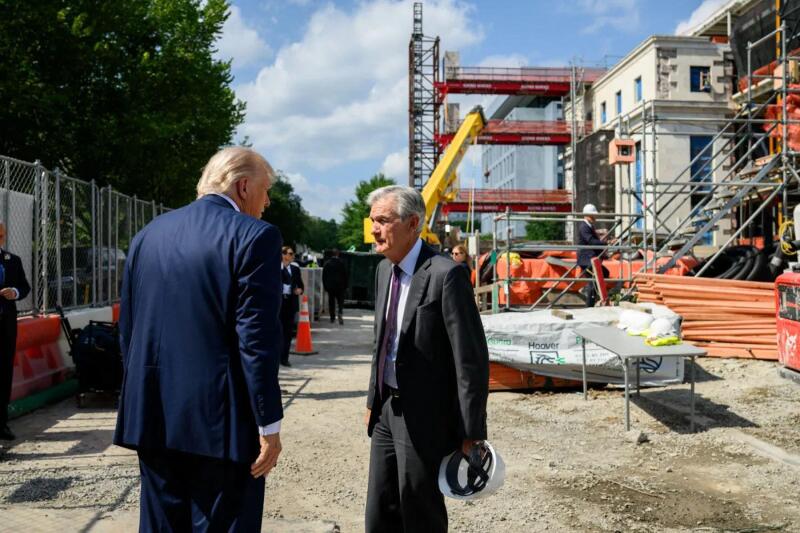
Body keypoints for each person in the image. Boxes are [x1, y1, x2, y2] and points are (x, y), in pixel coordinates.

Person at [113, 147, 284, 532]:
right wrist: (268, 424)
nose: (267, 201)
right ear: (243, 186)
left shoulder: (148, 234)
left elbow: (130, 329)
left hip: (153, 416)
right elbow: (255, 342)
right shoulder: (255, 237)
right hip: (220, 426)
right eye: (265, 190)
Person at [364, 185, 489, 533]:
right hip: (387, 410)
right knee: (380, 507)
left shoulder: (445, 275)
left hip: (426, 414)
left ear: (413, 222)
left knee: (419, 508)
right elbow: (382, 344)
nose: (374, 228)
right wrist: (373, 401)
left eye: (383, 220)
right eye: (373, 219)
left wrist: (471, 431)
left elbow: (471, 360)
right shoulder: (383, 272)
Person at [0, 222, 31, 441]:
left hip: (6, 325)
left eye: (1, 234)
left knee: (4, 374)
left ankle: (2, 424)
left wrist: (15, 292)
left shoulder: (13, 260)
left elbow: (25, 287)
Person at [577, 203, 609, 307]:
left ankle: (591, 301)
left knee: (601, 275)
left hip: (591, 259)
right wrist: (605, 244)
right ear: (586, 215)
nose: (595, 217)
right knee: (594, 280)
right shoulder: (584, 227)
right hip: (586, 261)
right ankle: (589, 304)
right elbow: (591, 241)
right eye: (592, 215)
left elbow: (594, 241)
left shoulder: (589, 226)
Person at [280, 246, 304, 367]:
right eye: (290, 253)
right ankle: (275, 356)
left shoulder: (295, 269)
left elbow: (301, 285)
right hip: (278, 304)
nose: (292, 256)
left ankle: (284, 358)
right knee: (276, 331)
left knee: (288, 332)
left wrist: (300, 290)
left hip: (290, 303)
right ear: (283, 255)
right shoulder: (274, 268)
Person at [322, 249, 348, 325]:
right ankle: (340, 312)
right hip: (340, 286)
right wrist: (346, 286)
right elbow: (345, 275)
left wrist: (325, 286)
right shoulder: (342, 263)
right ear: (338, 254)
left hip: (330, 287)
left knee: (331, 302)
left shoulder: (327, 263)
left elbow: (324, 276)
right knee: (340, 301)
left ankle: (332, 317)